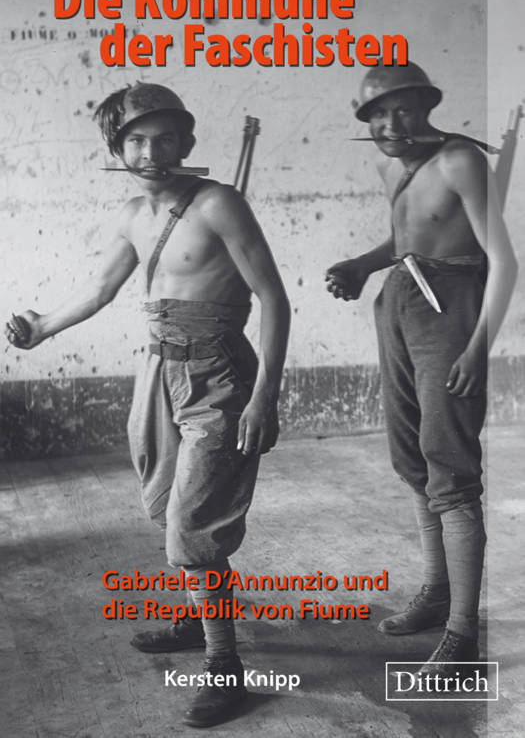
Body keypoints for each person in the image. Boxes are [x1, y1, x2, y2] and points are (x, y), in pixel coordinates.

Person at [6, 82, 290, 727]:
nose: (151, 153)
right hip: (158, 372)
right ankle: (196, 619)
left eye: (165, 139)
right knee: (165, 506)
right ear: (118, 149)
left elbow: (274, 299)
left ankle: (225, 667)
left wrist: (264, 398)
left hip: (219, 375)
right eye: (136, 140)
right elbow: (100, 288)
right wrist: (42, 327)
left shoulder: (220, 204)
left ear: (187, 142)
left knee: (193, 524)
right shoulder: (133, 213)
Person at [325, 62, 518, 675]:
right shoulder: (389, 164)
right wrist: (361, 266)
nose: (390, 123)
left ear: (427, 106)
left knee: (450, 464)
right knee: (411, 457)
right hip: (400, 301)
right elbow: (405, 241)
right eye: (377, 114)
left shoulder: (461, 160)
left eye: (402, 109)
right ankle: (437, 593)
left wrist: (477, 348)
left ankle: (463, 634)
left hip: (453, 307)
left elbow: (504, 261)